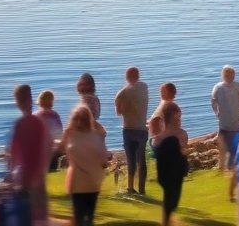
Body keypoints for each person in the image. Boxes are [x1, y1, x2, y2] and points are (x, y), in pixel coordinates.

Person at [8, 84, 51, 226]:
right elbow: (48, 148)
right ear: (30, 99)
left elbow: (12, 155)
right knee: (40, 218)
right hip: (38, 177)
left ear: (18, 102)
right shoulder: (40, 122)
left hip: (25, 178)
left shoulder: (20, 124)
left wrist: (10, 177)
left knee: (26, 217)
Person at [62, 105, 109, 226]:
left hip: (90, 182)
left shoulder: (90, 135)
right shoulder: (72, 134)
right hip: (79, 181)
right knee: (82, 217)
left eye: (81, 119)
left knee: (84, 217)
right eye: (76, 119)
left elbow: (103, 160)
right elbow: (104, 160)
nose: (78, 122)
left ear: (87, 120)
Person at [152, 103, 189, 226]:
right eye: (177, 119)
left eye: (180, 118)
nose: (179, 121)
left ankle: (167, 220)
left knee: (173, 201)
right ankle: (167, 221)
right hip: (167, 172)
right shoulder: (159, 138)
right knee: (171, 200)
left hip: (176, 172)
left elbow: (184, 152)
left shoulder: (182, 134)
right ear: (170, 119)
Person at [115, 66, 149, 196]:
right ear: (138, 76)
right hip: (141, 129)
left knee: (131, 160)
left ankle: (130, 187)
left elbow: (118, 112)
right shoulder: (144, 87)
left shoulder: (123, 93)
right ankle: (141, 189)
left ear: (127, 77)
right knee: (141, 159)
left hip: (128, 128)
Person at [212, 65, 239, 171]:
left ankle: (225, 166)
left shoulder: (218, 87)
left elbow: (213, 103)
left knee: (224, 145)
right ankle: (228, 166)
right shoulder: (238, 86)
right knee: (231, 145)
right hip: (233, 122)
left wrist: (217, 114)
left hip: (227, 122)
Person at [35, 91, 63, 172]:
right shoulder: (55, 115)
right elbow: (60, 134)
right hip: (55, 150)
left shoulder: (35, 116)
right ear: (52, 102)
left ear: (40, 101)